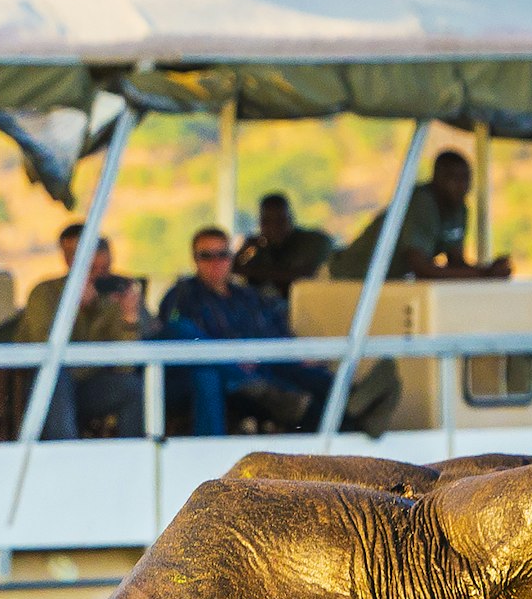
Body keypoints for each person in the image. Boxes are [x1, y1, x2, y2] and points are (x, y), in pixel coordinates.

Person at [154, 226, 327, 435]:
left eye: (223, 255)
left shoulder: (249, 296)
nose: (216, 262)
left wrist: (298, 354)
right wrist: (232, 359)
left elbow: (276, 330)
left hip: (267, 368)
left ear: (232, 258)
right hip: (224, 382)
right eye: (206, 256)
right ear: (195, 260)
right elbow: (174, 338)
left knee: (321, 384)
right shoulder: (182, 296)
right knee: (203, 363)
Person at [9, 223, 145, 437]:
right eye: (91, 268)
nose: (98, 275)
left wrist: (129, 319)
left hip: (91, 386)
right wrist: (75, 309)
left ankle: (133, 460)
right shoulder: (45, 293)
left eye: (103, 267)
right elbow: (45, 348)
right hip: (48, 385)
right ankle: (65, 457)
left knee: (132, 388)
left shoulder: (115, 295)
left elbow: (126, 366)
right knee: (57, 378)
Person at [341, 151, 513, 280]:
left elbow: (456, 262)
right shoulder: (422, 203)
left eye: (466, 179)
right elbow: (422, 269)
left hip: (385, 281)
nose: (462, 186)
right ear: (437, 178)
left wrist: (489, 270)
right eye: (454, 179)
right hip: (352, 277)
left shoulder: (459, 209)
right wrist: (484, 274)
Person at [234, 191, 335, 294]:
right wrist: (245, 250)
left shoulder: (312, 242)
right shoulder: (257, 246)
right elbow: (232, 269)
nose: (273, 227)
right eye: (267, 221)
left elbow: (304, 276)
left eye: (280, 221)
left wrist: (253, 271)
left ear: (291, 219)